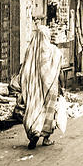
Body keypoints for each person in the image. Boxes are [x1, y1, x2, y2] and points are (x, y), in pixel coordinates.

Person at [19, 17, 63, 149]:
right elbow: (58, 70)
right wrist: (61, 86)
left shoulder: (30, 50)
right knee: (49, 112)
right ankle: (46, 138)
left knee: (34, 109)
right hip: (50, 87)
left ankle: (34, 133)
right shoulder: (53, 51)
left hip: (34, 88)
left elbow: (24, 69)